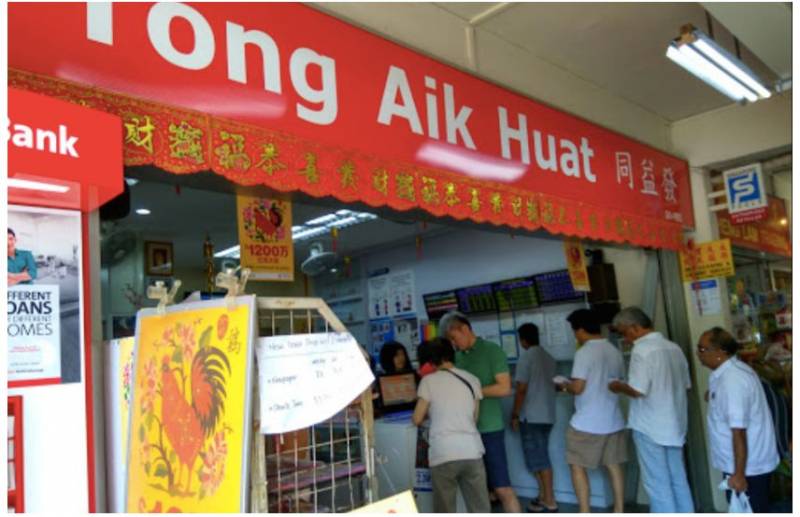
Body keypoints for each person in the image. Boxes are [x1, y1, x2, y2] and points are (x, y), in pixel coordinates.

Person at [608, 307, 694, 513]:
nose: (625, 339)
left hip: (649, 426)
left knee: (657, 483)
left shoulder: (642, 350)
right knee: (678, 479)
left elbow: (638, 390)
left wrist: (617, 386)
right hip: (674, 424)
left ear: (634, 327)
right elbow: (686, 385)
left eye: (624, 333)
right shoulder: (674, 348)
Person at [439, 311, 521, 513]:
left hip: (489, 429)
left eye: (454, 338)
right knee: (475, 491)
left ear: (465, 329)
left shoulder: (492, 351)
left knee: (502, 488)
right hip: (464, 432)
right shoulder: (456, 358)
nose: (454, 344)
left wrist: (472, 391)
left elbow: (504, 388)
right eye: (450, 341)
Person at [696, 327, 779, 513]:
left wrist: (739, 474)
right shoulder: (729, 372)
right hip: (740, 463)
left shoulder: (732, 380)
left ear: (720, 352)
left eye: (702, 349)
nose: (698, 353)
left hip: (747, 468)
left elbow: (739, 431)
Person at [556, 309, 627, 513]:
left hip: (586, 423)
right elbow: (619, 381)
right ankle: (619, 509)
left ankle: (585, 511)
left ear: (580, 329)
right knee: (614, 465)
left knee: (577, 466)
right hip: (613, 420)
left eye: (574, 331)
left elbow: (578, 387)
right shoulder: (613, 350)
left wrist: (564, 385)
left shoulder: (584, 352)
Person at [412, 338, 491, 513]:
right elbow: (474, 418)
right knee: (480, 508)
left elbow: (417, 419)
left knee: (445, 509)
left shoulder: (428, 381)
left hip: (443, 453)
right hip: (472, 451)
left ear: (431, 359)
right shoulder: (472, 379)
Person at [511, 323, 558, 513]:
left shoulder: (526, 357)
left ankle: (550, 500)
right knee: (539, 457)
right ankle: (543, 496)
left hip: (531, 416)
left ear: (523, 340)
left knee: (539, 459)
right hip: (548, 415)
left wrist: (515, 413)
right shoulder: (549, 357)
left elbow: (521, 389)